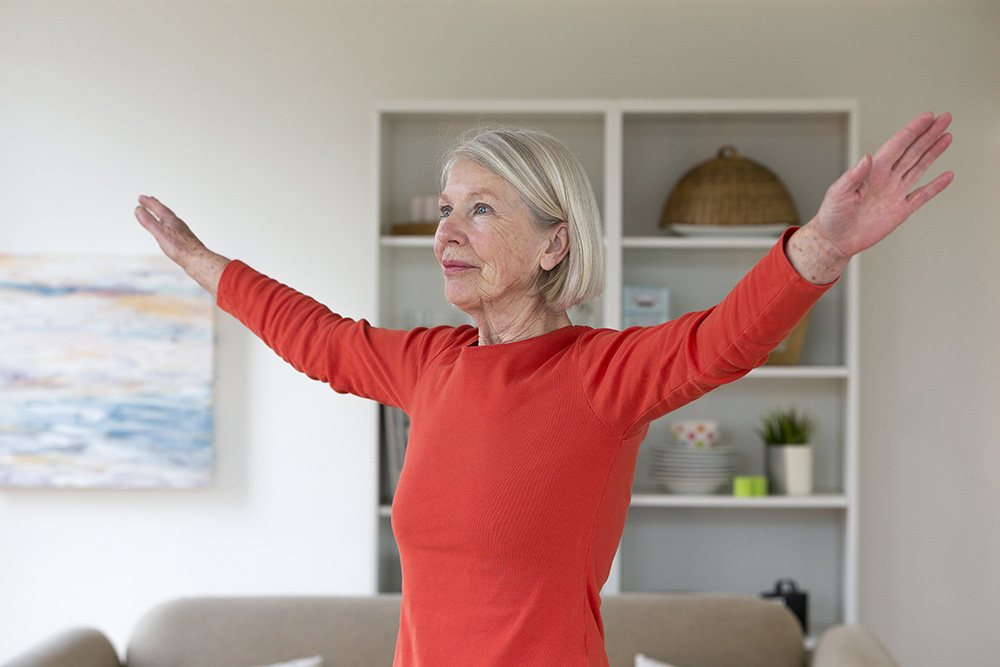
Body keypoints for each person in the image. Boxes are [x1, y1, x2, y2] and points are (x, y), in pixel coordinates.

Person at [135, 111, 952, 666]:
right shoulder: (430, 364)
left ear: (555, 242)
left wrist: (821, 247)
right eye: (447, 207)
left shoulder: (599, 376)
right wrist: (200, 261)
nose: (446, 231)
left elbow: (724, 339)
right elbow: (317, 337)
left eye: (480, 209)